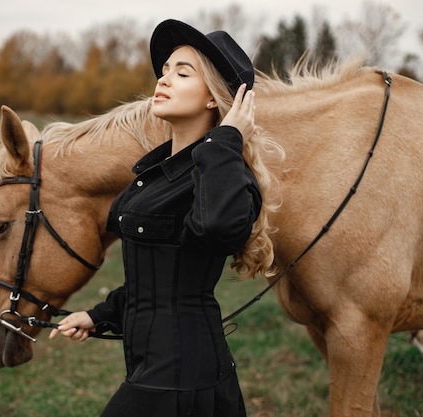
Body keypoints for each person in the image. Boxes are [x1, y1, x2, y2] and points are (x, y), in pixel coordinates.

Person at [50, 19, 276, 417]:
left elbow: (216, 230)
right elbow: (157, 276)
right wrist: (99, 315)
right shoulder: (159, 174)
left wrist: (226, 141)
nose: (164, 79)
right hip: (152, 369)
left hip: (183, 375)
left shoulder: (225, 174)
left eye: (182, 72)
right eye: (165, 70)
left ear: (213, 99)